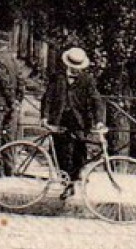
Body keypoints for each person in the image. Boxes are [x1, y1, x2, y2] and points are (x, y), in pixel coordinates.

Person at [41, 46, 105, 197]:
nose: (76, 70)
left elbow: (96, 101)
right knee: (62, 152)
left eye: (78, 68)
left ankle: (74, 180)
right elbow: (48, 98)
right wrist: (44, 117)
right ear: (68, 64)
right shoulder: (57, 77)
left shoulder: (87, 80)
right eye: (73, 67)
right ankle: (67, 182)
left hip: (80, 121)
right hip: (60, 119)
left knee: (79, 152)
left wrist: (99, 121)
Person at [0, 27, 26, 171]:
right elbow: (21, 81)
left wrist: (11, 99)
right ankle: (9, 168)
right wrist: (17, 100)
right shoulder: (14, 61)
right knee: (7, 137)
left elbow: (4, 83)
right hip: (9, 105)